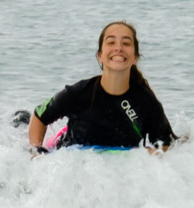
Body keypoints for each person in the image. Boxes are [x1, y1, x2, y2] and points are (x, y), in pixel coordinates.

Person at [27, 21, 175, 152]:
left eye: (126, 43)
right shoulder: (78, 93)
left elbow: (166, 145)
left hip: (115, 162)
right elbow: (40, 115)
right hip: (69, 152)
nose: (118, 48)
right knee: (23, 120)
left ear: (135, 58)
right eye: (111, 42)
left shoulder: (147, 103)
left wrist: (151, 154)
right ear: (100, 56)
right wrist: (35, 150)